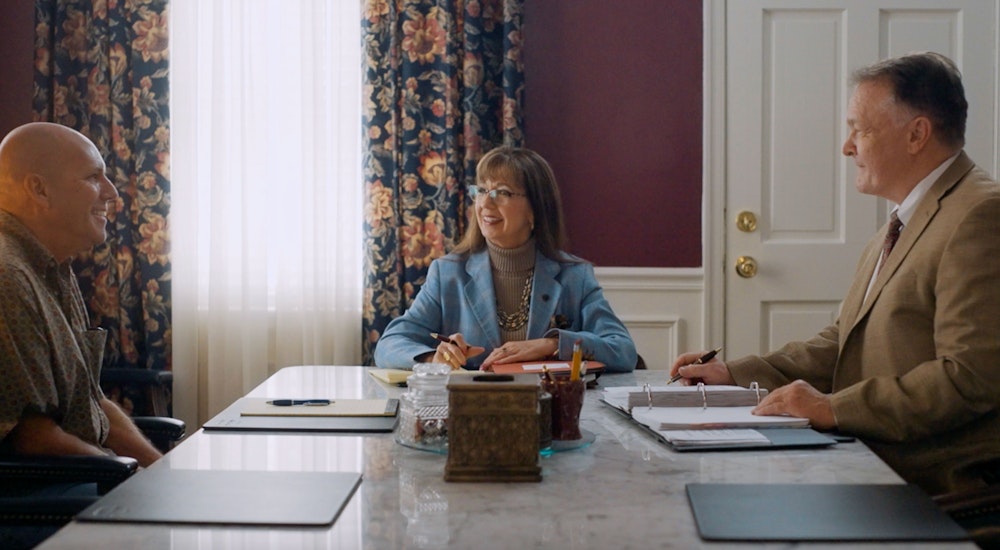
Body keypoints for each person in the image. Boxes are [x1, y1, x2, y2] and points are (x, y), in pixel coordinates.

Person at [671, 52, 1000, 495]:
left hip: (934, 484)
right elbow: (844, 341)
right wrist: (735, 373)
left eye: (859, 130)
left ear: (917, 134)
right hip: (871, 459)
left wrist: (834, 408)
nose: (847, 147)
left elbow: (968, 376)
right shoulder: (905, 218)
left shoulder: (980, 215)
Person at [375, 146, 637, 372]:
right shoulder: (447, 273)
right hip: (471, 415)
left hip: (549, 414)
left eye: (502, 193)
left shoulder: (574, 276)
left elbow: (623, 351)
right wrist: (433, 358)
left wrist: (553, 345)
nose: (485, 204)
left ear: (535, 208)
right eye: (481, 190)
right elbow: (389, 345)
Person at [0, 122, 162, 468]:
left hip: (88, 476)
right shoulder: (8, 277)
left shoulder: (53, 265)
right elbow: (31, 437)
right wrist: (127, 478)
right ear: (39, 190)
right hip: (46, 498)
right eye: (93, 177)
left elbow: (91, 402)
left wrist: (163, 471)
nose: (111, 193)